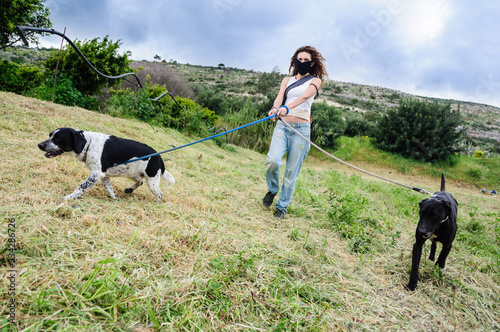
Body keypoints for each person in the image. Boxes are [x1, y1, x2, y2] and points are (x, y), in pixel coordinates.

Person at [263, 46, 328, 219]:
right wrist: (275, 108)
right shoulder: (287, 80)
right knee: (272, 160)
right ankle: (273, 189)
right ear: (295, 60)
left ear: (312, 62)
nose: (303, 63)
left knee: (291, 172)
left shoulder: (316, 80)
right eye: (300, 59)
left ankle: (282, 207)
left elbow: (304, 97)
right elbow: (279, 97)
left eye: (307, 60)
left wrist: (286, 107)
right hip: (283, 126)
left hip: (301, 130)